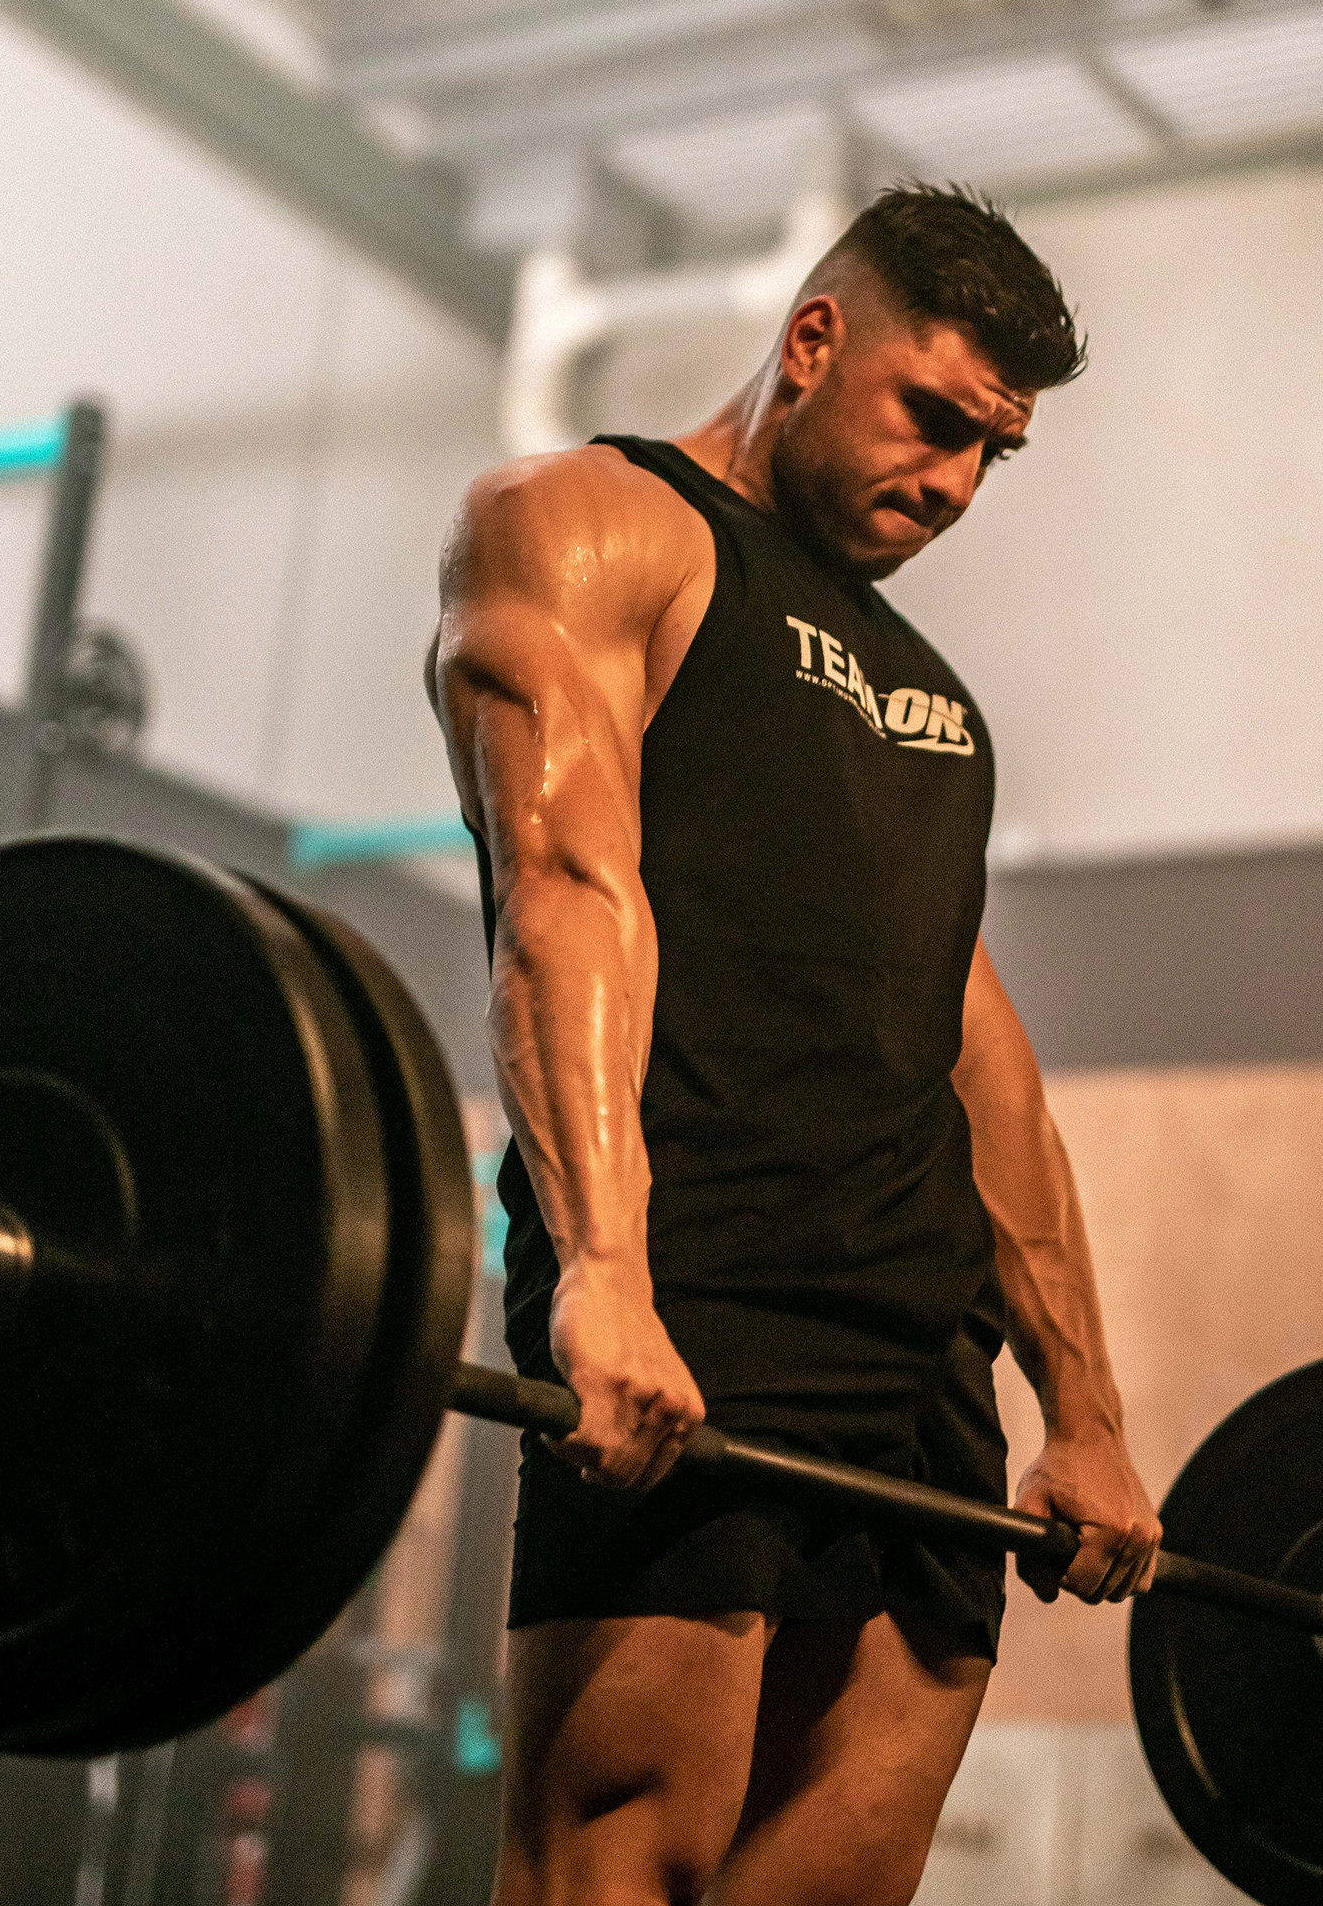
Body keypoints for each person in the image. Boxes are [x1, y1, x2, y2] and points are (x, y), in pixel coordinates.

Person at [427, 184, 1161, 1906]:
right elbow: (567, 888)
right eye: (932, 418)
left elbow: (974, 1052)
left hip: (921, 1357)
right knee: (619, 1869)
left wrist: (1087, 1408)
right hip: (710, 1296)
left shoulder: (936, 700)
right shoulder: (602, 530)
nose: (953, 484)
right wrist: (604, 1267)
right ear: (813, 341)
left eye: (995, 453)